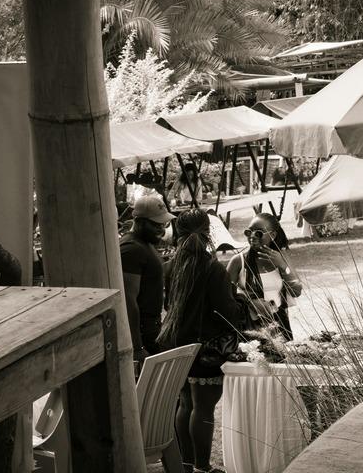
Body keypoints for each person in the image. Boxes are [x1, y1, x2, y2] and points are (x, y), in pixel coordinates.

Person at [159, 209, 269, 473]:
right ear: (208, 232)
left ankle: (187, 465)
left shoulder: (172, 266)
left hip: (176, 344)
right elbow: (226, 312)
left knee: (186, 404)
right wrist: (243, 301)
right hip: (206, 348)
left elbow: (168, 305)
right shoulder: (211, 268)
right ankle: (202, 467)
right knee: (204, 408)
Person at [227, 212, 302, 340]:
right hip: (250, 326)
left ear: (272, 235)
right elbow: (225, 296)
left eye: (259, 233)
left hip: (280, 324)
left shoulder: (281, 257)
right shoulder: (238, 261)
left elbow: (296, 291)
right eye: (248, 232)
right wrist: (249, 301)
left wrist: (282, 266)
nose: (252, 236)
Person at [120, 196, 175, 363]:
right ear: (139, 221)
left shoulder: (144, 243)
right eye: (156, 224)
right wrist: (137, 347)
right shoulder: (131, 249)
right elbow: (128, 301)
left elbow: (150, 276)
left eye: (164, 224)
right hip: (142, 334)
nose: (161, 229)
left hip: (153, 327)